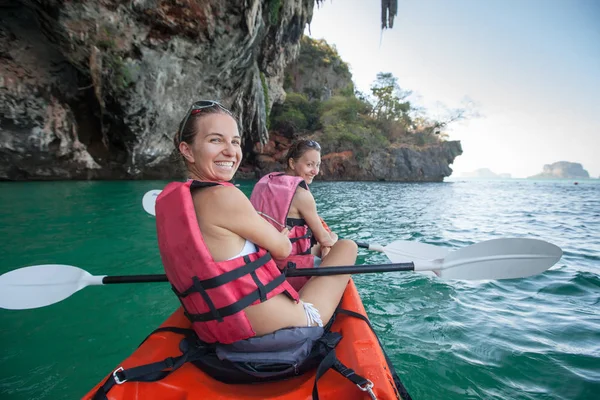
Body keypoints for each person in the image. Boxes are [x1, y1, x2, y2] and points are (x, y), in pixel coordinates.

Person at [155, 100, 357, 345]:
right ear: (187, 150)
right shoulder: (223, 195)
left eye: (235, 141)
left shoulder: (179, 201)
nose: (231, 151)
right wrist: (286, 239)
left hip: (214, 328)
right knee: (346, 247)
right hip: (277, 328)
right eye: (216, 140)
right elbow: (283, 249)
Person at [250, 139, 338, 290]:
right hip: (288, 267)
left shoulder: (265, 182)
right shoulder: (302, 195)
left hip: (261, 259)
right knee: (343, 247)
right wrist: (334, 238)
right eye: (309, 165)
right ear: (292, 163)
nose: (315, 171)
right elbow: (325, 239)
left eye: (317, 165)